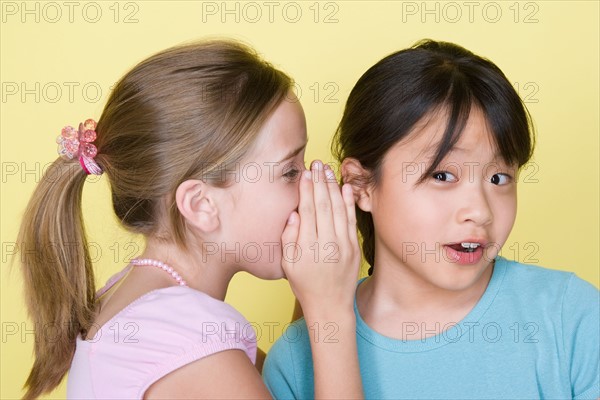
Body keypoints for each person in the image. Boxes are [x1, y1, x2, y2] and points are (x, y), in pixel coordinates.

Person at [17, 40, 363, 399]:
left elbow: (286, 389)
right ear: (201, 205)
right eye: (290, 171)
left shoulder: (145, 308)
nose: (311, 186)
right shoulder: (189, 347)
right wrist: (330, 311)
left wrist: (312, 292)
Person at [263, 39, 600, 399]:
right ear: (360, 184)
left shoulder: (572, 316)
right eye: (442, 176)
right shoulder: (296, 363)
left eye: (499, 178)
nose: (480, 211)